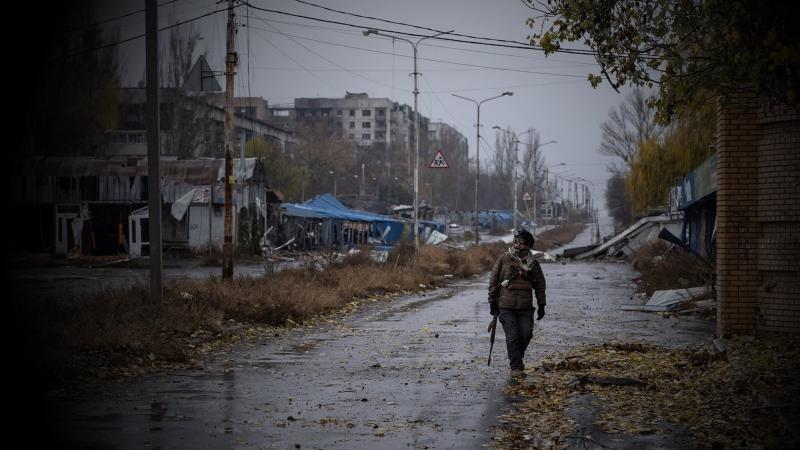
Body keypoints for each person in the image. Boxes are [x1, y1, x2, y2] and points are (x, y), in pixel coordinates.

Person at [488, 228, 546, 377]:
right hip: (506, 307)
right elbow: (494, 282)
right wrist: (492, 303)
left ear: (528, 245)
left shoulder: (533, 264)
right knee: (512, 336)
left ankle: (516, 357)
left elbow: (540, 284)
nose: (518, 245)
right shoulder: (504, 259)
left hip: (526, 308)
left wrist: (541, 305)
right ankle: (516, 367)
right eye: (516, 242)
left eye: (522, 242)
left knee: (526, 335)